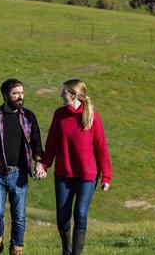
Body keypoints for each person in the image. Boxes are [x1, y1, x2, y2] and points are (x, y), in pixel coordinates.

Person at [0, 78, 46, 255]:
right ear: (5, 96)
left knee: (19, 216)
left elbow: (37, 144)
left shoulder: (29, 116)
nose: (20, 96)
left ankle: (16, 248)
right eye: (15, 93)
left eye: (22, 92)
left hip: (19, 173)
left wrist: (39, 164)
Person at [42, 79, 112, 255]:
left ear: (74, 94)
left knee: (80, 213)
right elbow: (51, 143)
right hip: (63, 174)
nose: (61, 94)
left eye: (64, 92)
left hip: (87, 176)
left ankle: (76, 253)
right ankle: (66, 249)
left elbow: (101, 146)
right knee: (62, 217)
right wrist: (44, 165)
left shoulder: (92, 116)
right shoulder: (59, 114)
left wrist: (106, 176)